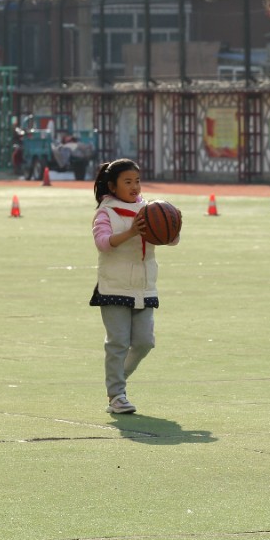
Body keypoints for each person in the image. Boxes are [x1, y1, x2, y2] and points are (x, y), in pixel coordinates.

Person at [89, 158, 180, 414]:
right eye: (127, 182)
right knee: (117, 343)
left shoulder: (150, 209)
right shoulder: (106, 212)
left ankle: (119, 379)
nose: (134, 186)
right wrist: (131, 232)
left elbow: (170, 240)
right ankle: (116, 395)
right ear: (112, 186)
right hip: (114, 287)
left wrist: (173, 225)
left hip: (144, 286)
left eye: (137, 181)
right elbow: (103, 243)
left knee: (144, 342)